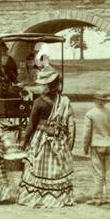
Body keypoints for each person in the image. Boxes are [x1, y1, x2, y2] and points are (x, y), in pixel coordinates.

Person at [18, 67, 76, 208]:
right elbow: (71, 125)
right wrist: (69, 142)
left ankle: (39, 197)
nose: (40, 87)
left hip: (41, 139)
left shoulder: (39, 102)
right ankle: (58, 197)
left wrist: (24, 141)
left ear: (48, 86)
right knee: (57, 168)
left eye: (42, 84)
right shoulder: (64, 101)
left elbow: (31, 125)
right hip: (58, 139)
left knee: (38, 167)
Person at [82, 90, 110, 205]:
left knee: (98, 172)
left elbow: (86, 133)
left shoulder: (90, 114)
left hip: (96, 145)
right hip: (109, 145)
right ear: (104, 102)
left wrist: (85, 146)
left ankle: (97, 198)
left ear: (95, 100)